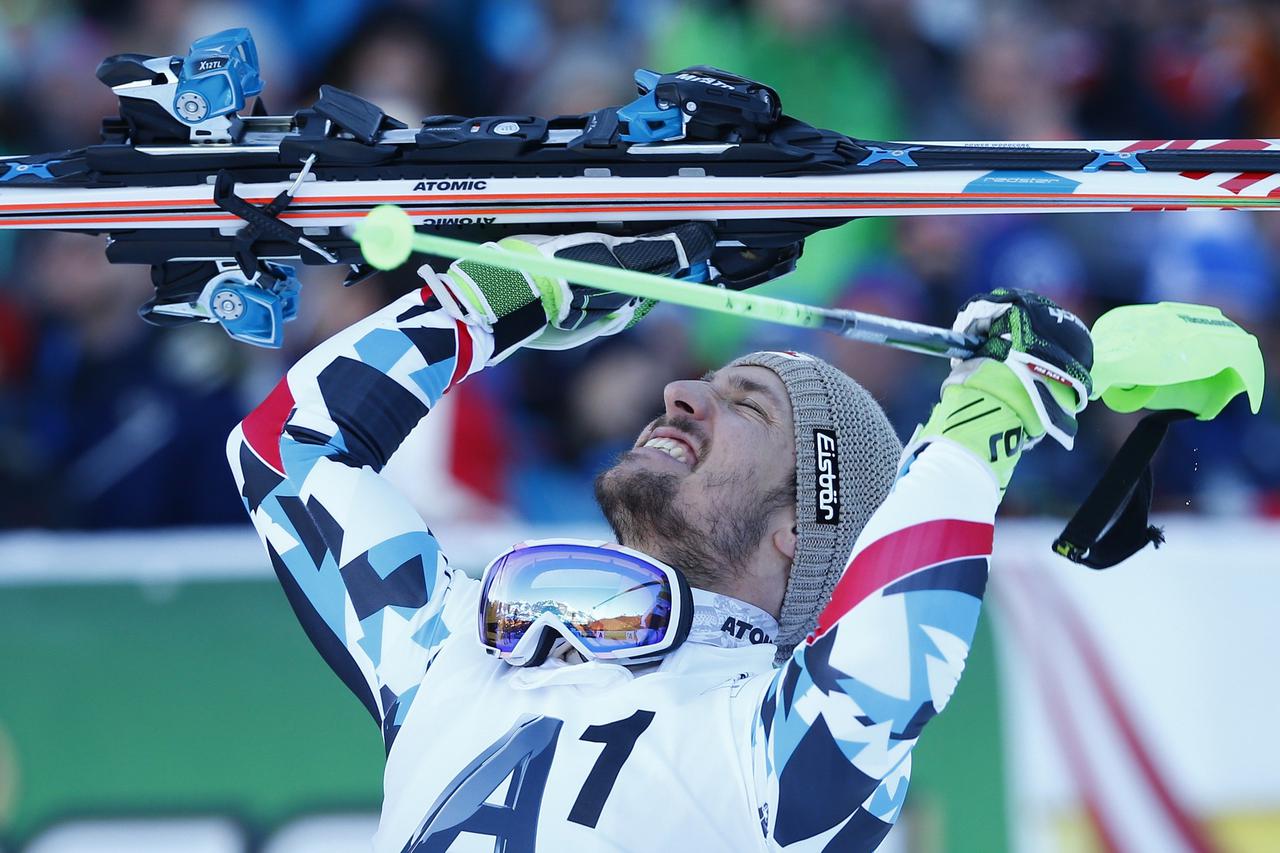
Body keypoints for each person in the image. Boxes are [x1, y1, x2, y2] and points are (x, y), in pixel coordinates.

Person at [227, 223, 1091, 851]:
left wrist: (986, 421)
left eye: (746, 403)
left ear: (806, 524)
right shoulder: (456, 652)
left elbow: (888, 668)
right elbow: (287, 449)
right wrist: (495, 302)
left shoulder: (763, 742)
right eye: (705, 380)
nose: (682, 392)